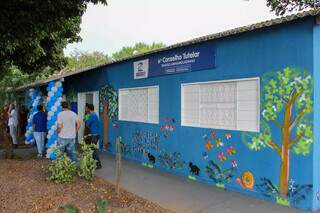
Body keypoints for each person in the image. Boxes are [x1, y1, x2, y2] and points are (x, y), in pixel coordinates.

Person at [85, 104, 102, 169]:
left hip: (94, 135)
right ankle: (93, 163)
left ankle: (98, 164)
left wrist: (86, 118)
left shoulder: (92, 116)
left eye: (86, 108)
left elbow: (87, 124)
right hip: (95, 134)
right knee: (92, 149)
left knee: (93, 150)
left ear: (89, 109)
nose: (86, 110)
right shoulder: (95, 115)